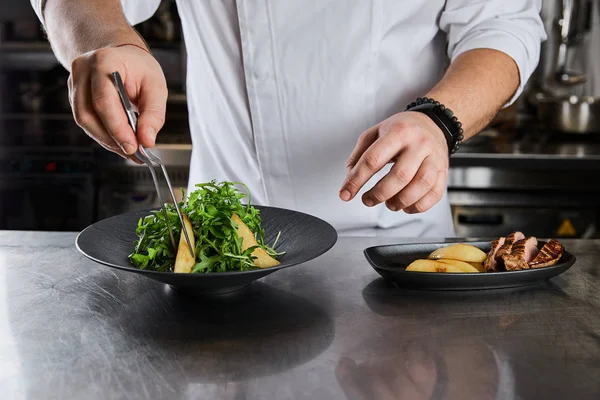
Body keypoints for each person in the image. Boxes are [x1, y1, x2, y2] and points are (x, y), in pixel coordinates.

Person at [30, 0, 546, 237]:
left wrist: (438, 120)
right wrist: (108, 42)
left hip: (393, 239)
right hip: (223, 241)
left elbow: (501, 27)